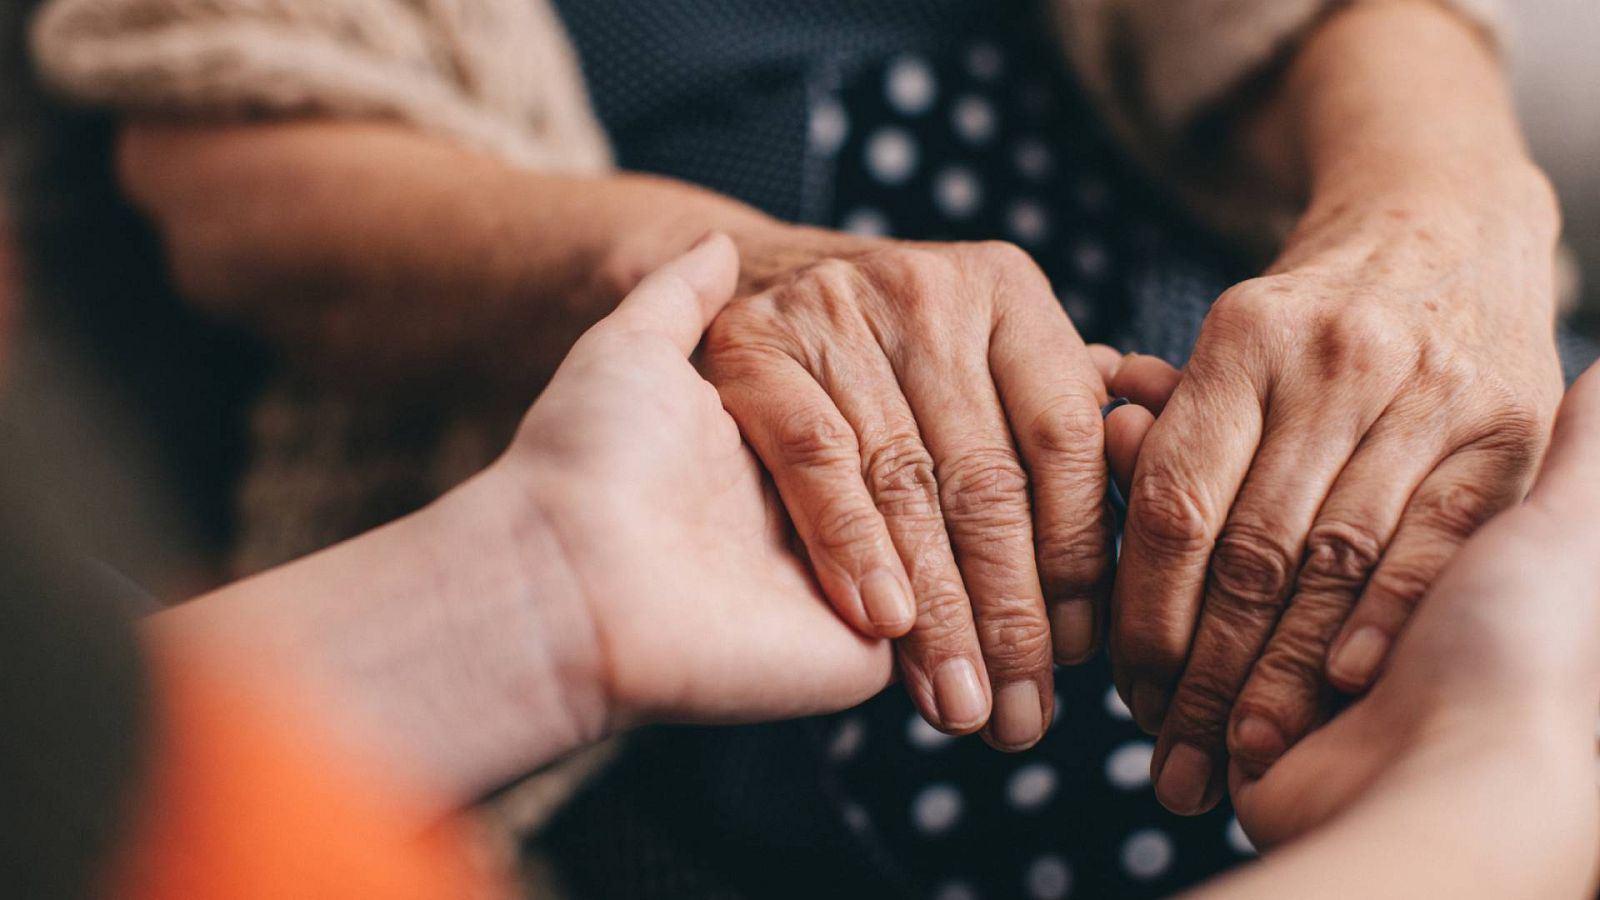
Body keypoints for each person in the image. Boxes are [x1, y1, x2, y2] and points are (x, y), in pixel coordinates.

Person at [24, 0, 1587, 893]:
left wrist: (1454, 209)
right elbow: (232, 147)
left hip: (1439, 577)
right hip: (740, 699)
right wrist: (720, 281)